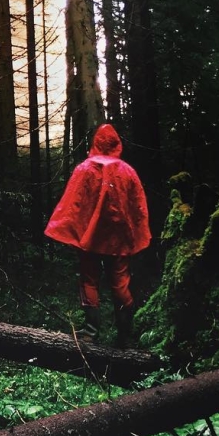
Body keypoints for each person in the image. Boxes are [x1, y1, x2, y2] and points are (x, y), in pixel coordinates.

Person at [45, 123, 150, 346]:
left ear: (96, 143)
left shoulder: (85, 169)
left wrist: (73, 232)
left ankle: (90, 332)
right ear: (116, 144)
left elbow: (73, 204)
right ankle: (125, 335)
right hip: (119, 239)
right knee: (121, 282)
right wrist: (136, 233)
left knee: (89, 280)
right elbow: (138, 206)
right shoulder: (127, 172)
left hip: (90, 239)